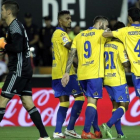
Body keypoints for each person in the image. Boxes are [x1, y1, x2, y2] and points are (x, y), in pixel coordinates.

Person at [0, 1, 50, 140]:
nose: (1, 11)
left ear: (9, 12)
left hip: (18, 70)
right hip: (25, 69)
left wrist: (4, 44)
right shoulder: (16, 26)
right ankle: (44, 136)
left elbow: (16, 47)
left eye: (3, 9)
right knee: (28, 103)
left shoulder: (14, 26)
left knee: (2, 101)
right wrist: (5, 49)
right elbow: (16, 48)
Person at [61, 16, 109, 139]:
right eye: (106, 25)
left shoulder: (79, 36)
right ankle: (86, 131)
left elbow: (71, 54)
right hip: (95, 73)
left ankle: (96, 130)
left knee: (91, 102)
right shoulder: (101, 33)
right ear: (100, 23)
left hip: (81, 75)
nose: (107, 27)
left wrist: (66, 72)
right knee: (93, 102)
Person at [52, 10, 85, 139]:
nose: (70, 20)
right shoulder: (61, 33)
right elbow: (70, 46)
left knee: (64, 103)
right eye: (67, 18)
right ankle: (70, 128)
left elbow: (68, 55)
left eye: (70, 18)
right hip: (65, 73)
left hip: (57, 73)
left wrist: (77, 66)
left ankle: (57, 131)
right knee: (80, 98)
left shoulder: (58, 33)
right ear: (60, 21)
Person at [102, 7, 140, 99]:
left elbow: (104, 34)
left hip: (137, 71)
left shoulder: (125, 31)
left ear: (130, 18)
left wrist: (107, 29)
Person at [102, 21, 130, 139]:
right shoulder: (119, 46)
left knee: (115, 105)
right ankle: (108, 124)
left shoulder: (105, 44)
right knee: (125, 105)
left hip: (106, 80)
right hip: (118, 80)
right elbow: (125, 64)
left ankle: (120, 133)